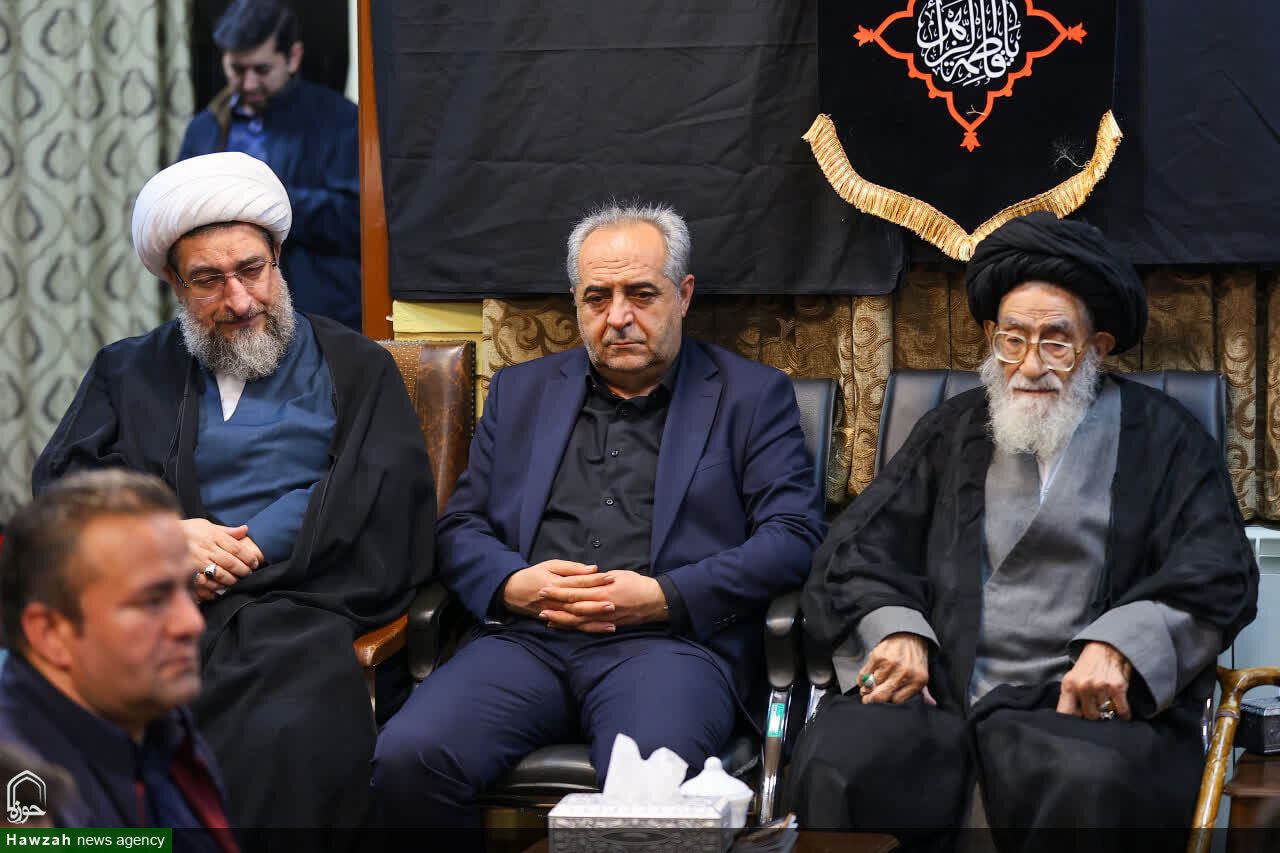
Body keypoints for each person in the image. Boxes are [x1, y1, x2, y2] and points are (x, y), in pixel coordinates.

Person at [789, 211, 1259, 850]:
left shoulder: (1166, 437)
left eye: (1056, 342)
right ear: (991, 336)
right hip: (940, 692)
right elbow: (855, 551)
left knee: (1090, 778)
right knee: (840, 757)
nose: (1030, 364)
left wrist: (1122, 646)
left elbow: (1220, 570)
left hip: (1083, 707)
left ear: (1097, 347)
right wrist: (896, 629)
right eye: (1012, 340)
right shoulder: (950, 430)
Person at [372, 202, 828, 826]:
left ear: (683, 295)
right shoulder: (521, 391)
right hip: (525, 642)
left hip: (669, 649)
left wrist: (665, 596)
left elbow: (794, 538)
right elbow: (461, 526)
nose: (618, 317)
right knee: (407, 758)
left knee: (648, 792)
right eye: (597, 298)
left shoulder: (751, 395)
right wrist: (512, 584)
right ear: (575, 302)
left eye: (641, 294)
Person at [32, 152, 436, 829]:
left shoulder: (356, 366)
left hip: (295, 608)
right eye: (208, 280)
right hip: (147, 606)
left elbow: (378, 492)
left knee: (285, 728)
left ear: (279, 256)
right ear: (173, 281)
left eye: (252, 269)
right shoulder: (127, 370)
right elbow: (65, 488)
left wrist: (234, 553)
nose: (240, 299)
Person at [0, 470, 236, 849]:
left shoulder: (160, 727)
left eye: (186, 590)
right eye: (153, 601)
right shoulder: (18, 790)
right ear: (50, 633)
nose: (191, 624)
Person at [180, 0, 361, 330]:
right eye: (237, 69)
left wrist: (262, 202)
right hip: (229, 315)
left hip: (323, 315)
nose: (249, 83)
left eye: (261, 70)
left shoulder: (341, 120)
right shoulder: (204, 129)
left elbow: (357, 222)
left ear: (293, 57)